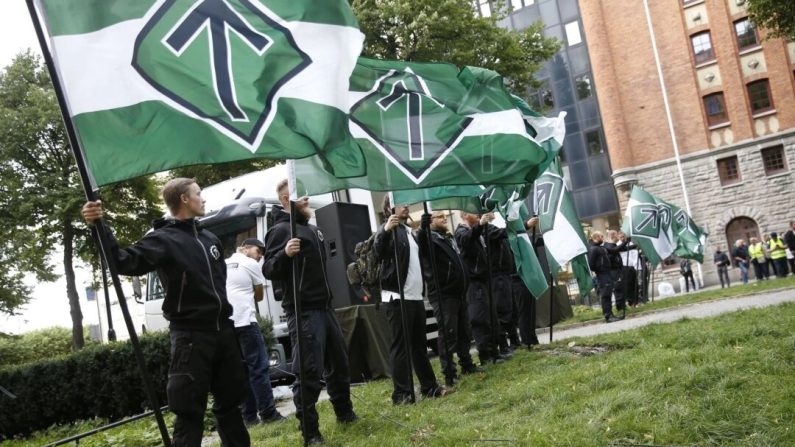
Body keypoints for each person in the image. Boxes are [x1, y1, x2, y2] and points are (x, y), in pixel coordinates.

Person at [81, 178, 250, 447]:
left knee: (230, 403)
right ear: (184, 199)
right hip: (191, 337)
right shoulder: (163, 239)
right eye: (198, 194)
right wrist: (99, 227)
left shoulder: (209, 238)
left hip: (223, 332)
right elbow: (122, 261)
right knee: (189, 411)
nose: (203, 199)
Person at [261, 180, 357, 445]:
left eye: (306, 194)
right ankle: (310, 431)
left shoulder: (313, 230)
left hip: (325, 307)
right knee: (309, 372)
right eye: (299, 196)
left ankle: (345, 414)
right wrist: (284, 254)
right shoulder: (280, 230)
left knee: (339, 364)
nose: (306, 199)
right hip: (303, 312)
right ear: (284, 201)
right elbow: (268, 269)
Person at [374, 195, 446, 405]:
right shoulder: (388, 230)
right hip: (397, 298)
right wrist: (385, 230)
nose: (406, 205)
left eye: (406, 202)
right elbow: (378, 251)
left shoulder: (408, 232)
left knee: (418, 346)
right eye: (401, 202)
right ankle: (402, 394)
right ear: (389, 207)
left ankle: (429, 387)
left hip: (414, 297)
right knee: (401, 347)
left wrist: (423, 229)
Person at [417, 211, 484, 387]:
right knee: (448, 333)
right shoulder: (429, 238)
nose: (445, 218)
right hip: (443, 294)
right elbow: (422, 244)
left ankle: (467, 364)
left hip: (459, 292)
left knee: (463, 330)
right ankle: (449, 373)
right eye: (440, 217)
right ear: (431, 221)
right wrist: (423, 228)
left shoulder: (446, 237)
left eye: (444, 216)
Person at [225, 238, 285, 426]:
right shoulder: (250, 263)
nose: (260, 257)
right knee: (258, 368)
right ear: (245, 247)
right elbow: (259, 295)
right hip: (246, 321)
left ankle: (249, 417)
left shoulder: (223, 263)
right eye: (258, 251)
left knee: (240, 372)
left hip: (228, 324)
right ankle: (268, 414)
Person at [455, 211, 507, 364]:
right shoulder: (461, 231)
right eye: (473, 213)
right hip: (474, 281)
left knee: (491, 316)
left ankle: (495, 353)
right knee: (480, 318)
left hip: (484, 280)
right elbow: (467, 239)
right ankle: (485, 355)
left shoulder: (477, 230)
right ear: (465, 215)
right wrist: (480, 225)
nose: (478, 215)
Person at [514, 217, 540, 348]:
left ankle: (532, 338)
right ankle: (527, 341)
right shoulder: (500, 227)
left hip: (526, 275)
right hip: (517, 276)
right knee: (524, 311)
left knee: (530, 309)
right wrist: (526, 225)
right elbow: (510, 232)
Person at [589, 231, 621, 323]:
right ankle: (608, 315)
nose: (602, 238)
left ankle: (610, 314)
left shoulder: (602, 248)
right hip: (602, 275)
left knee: (608, 294)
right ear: (596, 237)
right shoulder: (593, 249)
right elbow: (591, 265)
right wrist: (600, 269)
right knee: (606, 295)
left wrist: (625, 243)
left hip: (607, 273)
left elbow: (615, 250)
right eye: (601, 236)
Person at [604, 230, 627, 317]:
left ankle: (622, 306)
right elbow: (615, 250)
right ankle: (620, 308)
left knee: (621, 287)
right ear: (613, 235)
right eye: (617, 235)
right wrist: (625, 242)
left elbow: (622, 249)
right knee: (618, 288)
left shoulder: (613, 245)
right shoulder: (607, 245)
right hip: (614, 271)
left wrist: (633, 245)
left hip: (618, 269)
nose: (618, 237)